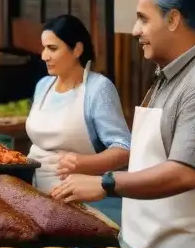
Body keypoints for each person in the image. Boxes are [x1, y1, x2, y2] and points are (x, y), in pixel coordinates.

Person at [53, 0, 195, 248]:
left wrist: (106, 183)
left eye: (143, 18)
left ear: (173, 19)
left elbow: (184, 172)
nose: (135, 30)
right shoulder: (167, 74)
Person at [25, 15, 130, 217]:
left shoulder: (98, 89)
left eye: (52, 48)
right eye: (44, 47)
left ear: (77, 50)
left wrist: (83, 163)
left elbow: (124, 149)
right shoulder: (43, 86)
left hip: (78, 202)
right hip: (33, 194)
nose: (44, 55)